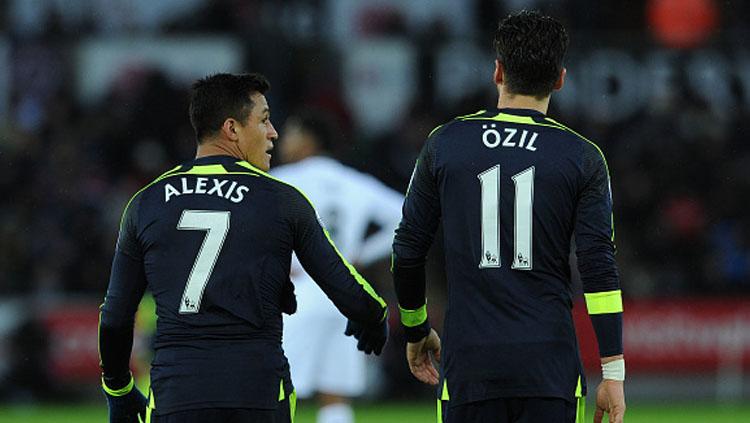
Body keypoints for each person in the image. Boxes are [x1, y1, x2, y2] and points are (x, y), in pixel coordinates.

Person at [98, 73, 389, 423]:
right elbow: (348, 288)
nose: (273, 133)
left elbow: (115, 317)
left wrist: (119, 390)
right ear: (232, 129)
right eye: (264, 120)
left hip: (178, 391)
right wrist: (374, 317)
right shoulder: (282, 199)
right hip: (257, 392)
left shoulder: (146, 202)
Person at [391, 10, 626, 423]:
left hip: (470, 363)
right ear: (560, 79)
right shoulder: (582, 157)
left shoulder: (446, 143)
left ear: (497, 71)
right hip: (547, 365)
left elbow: (407, 251)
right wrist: (613, 371)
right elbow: (598, 268)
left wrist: (416, 328)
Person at [273, 111, 404, 423]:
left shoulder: (282, 180)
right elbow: (406, 216)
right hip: (347, 295)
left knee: (271, 386)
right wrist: (362, 254)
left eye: (291, 133)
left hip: (300, 291)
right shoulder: (355, 181)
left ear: (308, 139)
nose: (280, 139)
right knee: (335, 393)